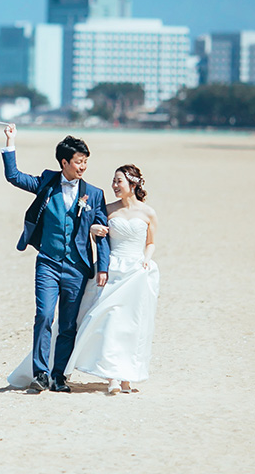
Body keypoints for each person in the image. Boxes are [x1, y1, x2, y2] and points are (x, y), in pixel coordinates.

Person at [1, 124, 109, 393]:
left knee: (69, 325)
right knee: (44, 315)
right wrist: (10, 141)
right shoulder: (47, 182)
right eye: (78, 161)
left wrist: (102, 267)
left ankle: (59, 375)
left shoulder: (94, 194)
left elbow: (103, 231)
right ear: (65, 162)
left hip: (78, 267)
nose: (83, 166)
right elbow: (13, 176)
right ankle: (41, 374)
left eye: (85, 162)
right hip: (48, 263)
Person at [66, 164, 159, 395]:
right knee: (108, 322)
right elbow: (89, 226)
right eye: (113, 181)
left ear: (133, 184)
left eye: (119, 181)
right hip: (112, 269)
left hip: (136, 272)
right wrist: (93, 228)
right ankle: (112, 376)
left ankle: (126, 376)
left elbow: (151, 242)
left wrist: (146, 259)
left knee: (131, 325)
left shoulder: (148, 213)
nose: (114, 185)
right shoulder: (108, 210)